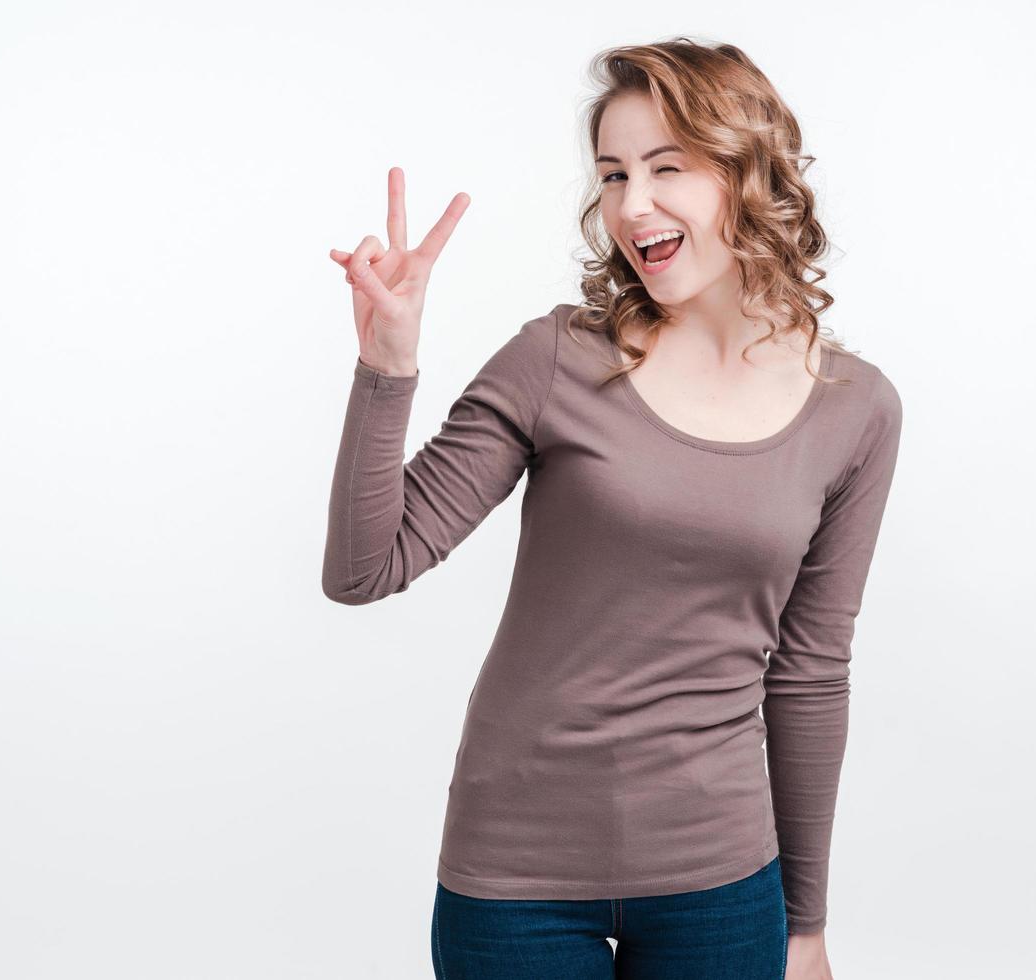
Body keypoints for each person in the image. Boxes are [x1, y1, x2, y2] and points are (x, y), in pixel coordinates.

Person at [322, 37, 902, 980]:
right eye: (613, 174)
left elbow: (808, 673)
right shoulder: (557, 359)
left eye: (667, 168)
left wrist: (805, 923)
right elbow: (362, 569)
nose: (633, 206)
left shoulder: (856, 409)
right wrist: (387, 365)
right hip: (514, 883)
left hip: (722, 887)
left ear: (748, 174)